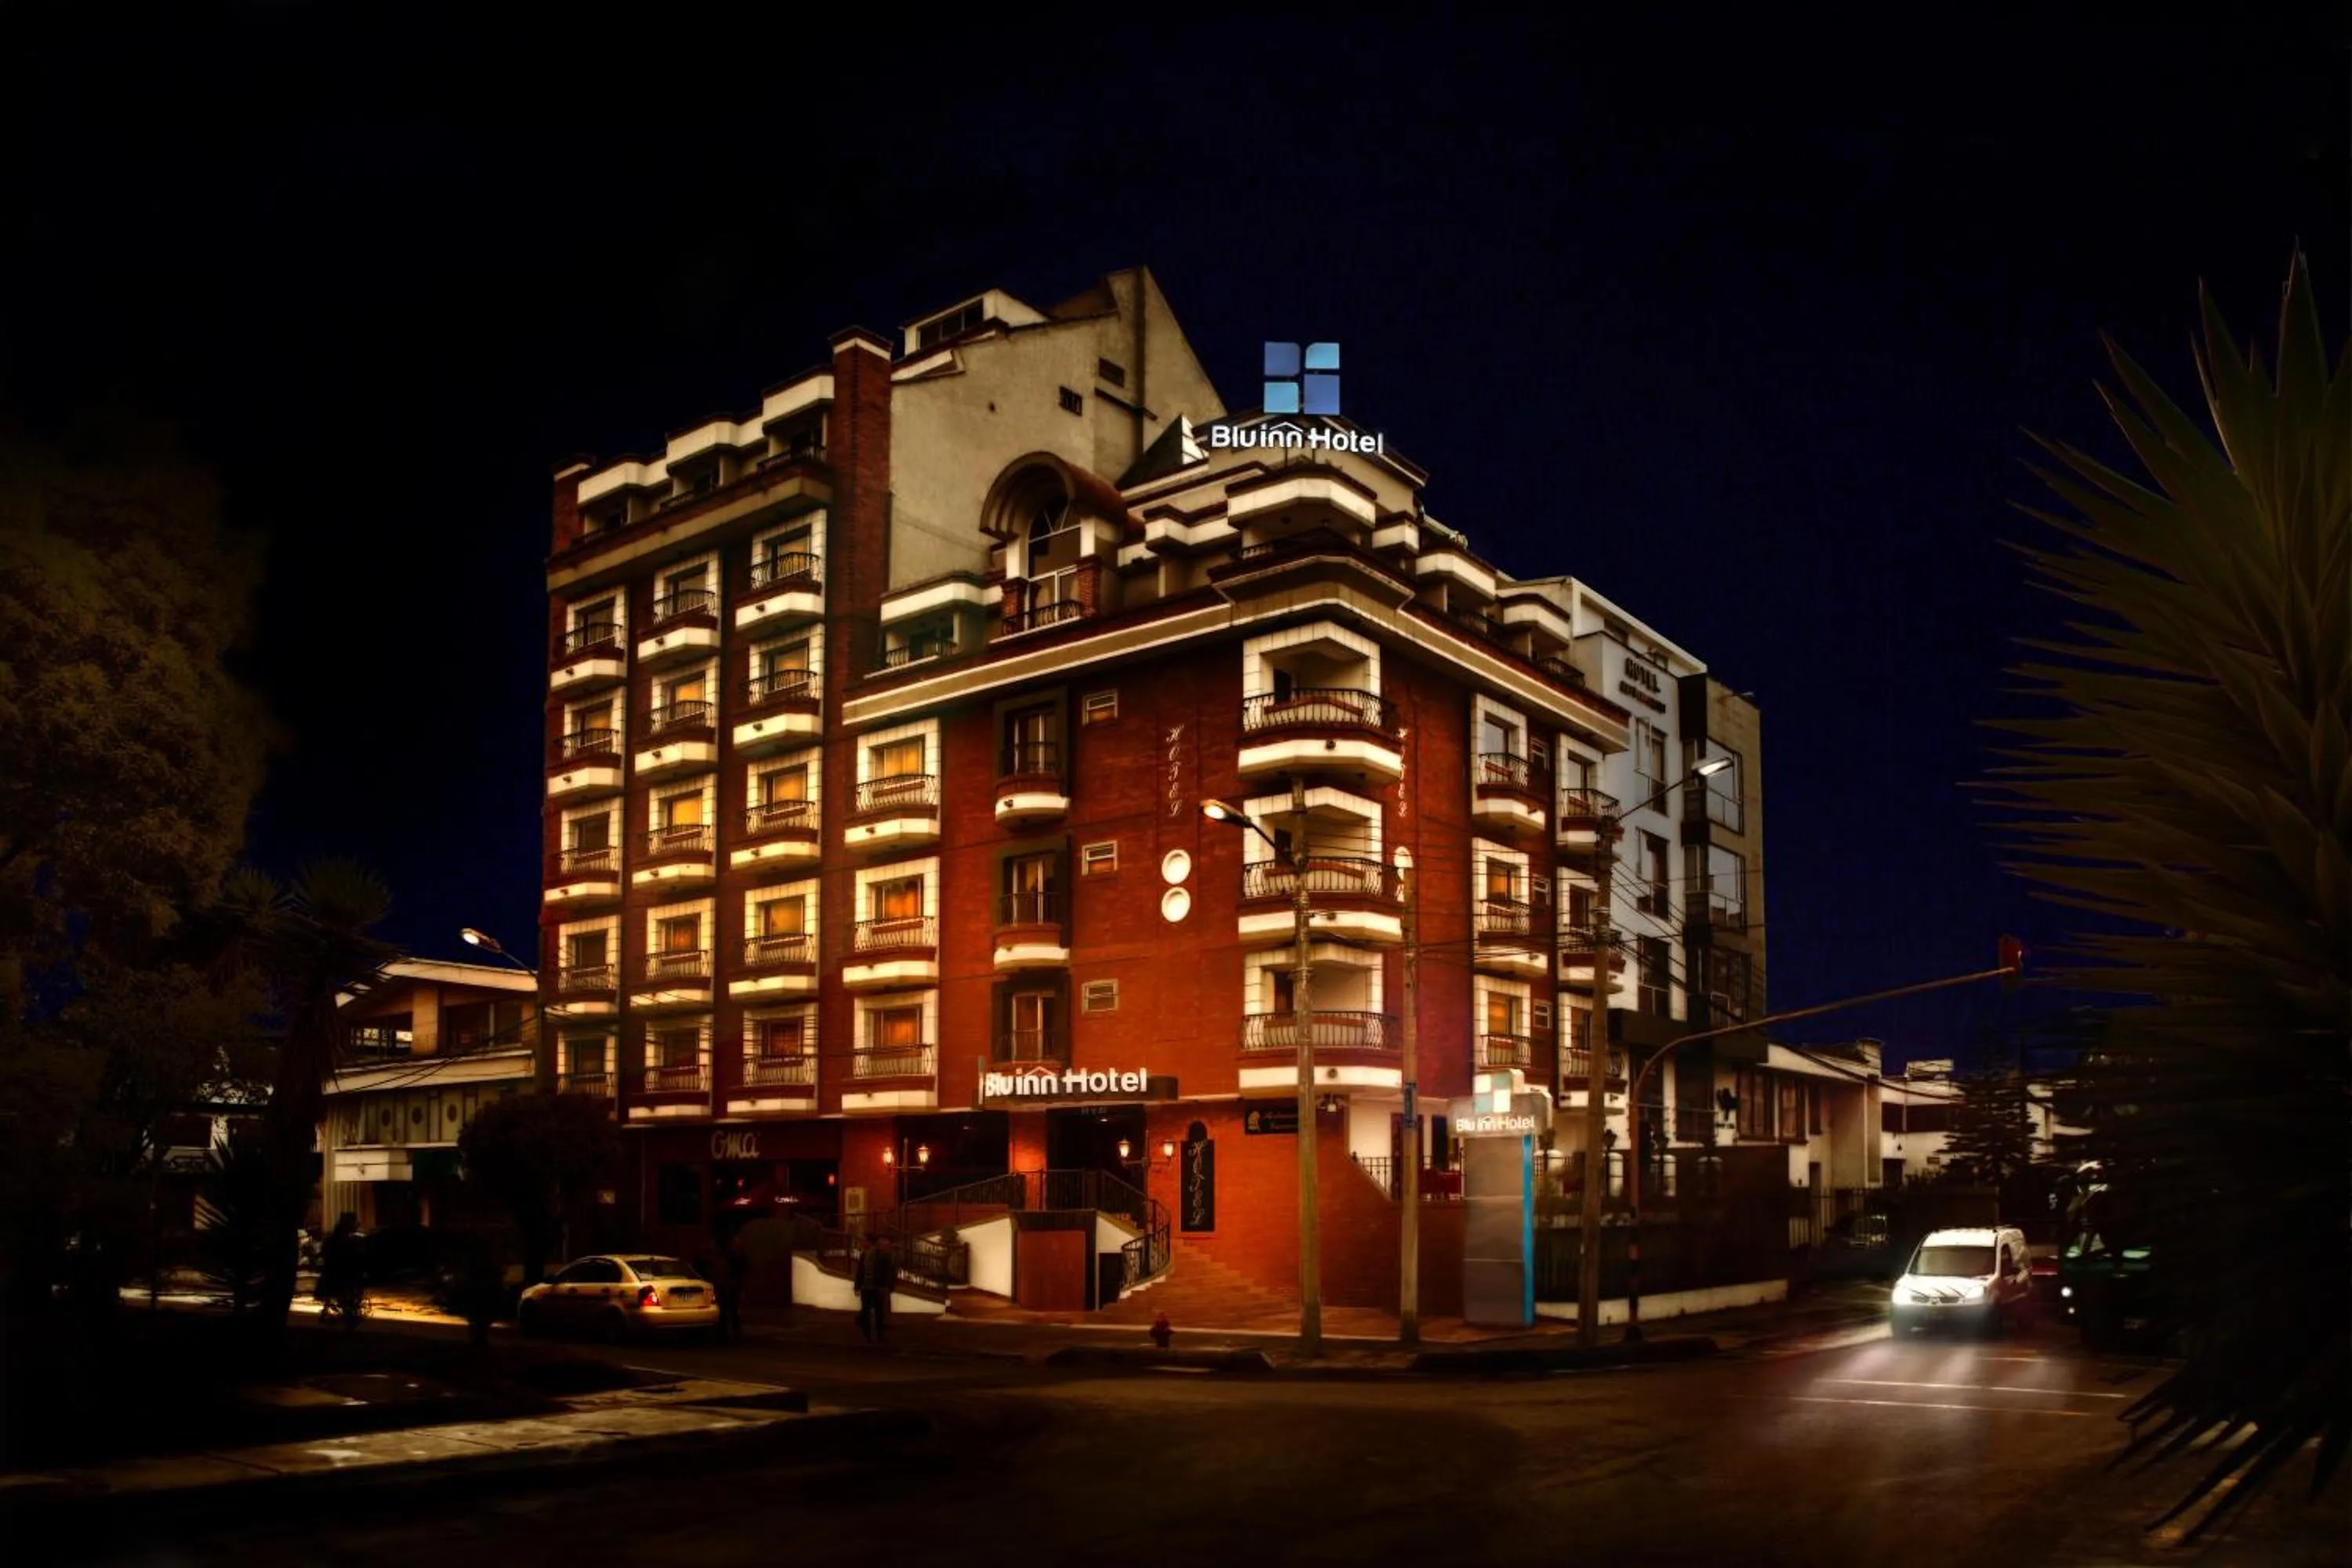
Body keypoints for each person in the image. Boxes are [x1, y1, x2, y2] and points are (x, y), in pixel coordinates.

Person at [317, 1214, 365, 1329]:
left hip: (338, 1273)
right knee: (344, 1294)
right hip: (341, 1273)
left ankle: (337, 1313)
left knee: (342, 1295)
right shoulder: (346, 1240)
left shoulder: (339, 1239)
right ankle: (343, 1316)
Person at [853, 1234, 897, 1343]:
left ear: (870, 1242)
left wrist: (888, 1286)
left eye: (864, 1241)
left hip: (877, 1287)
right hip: (866, 1287)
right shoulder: (864, 1255)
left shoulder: (882, 1255)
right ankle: (868, 1335)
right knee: (867, 1311)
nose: (863, 1243)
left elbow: (889, 1271)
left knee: (878, 1312)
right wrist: (858, 1286)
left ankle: (878, 1335)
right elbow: (860, 1271)